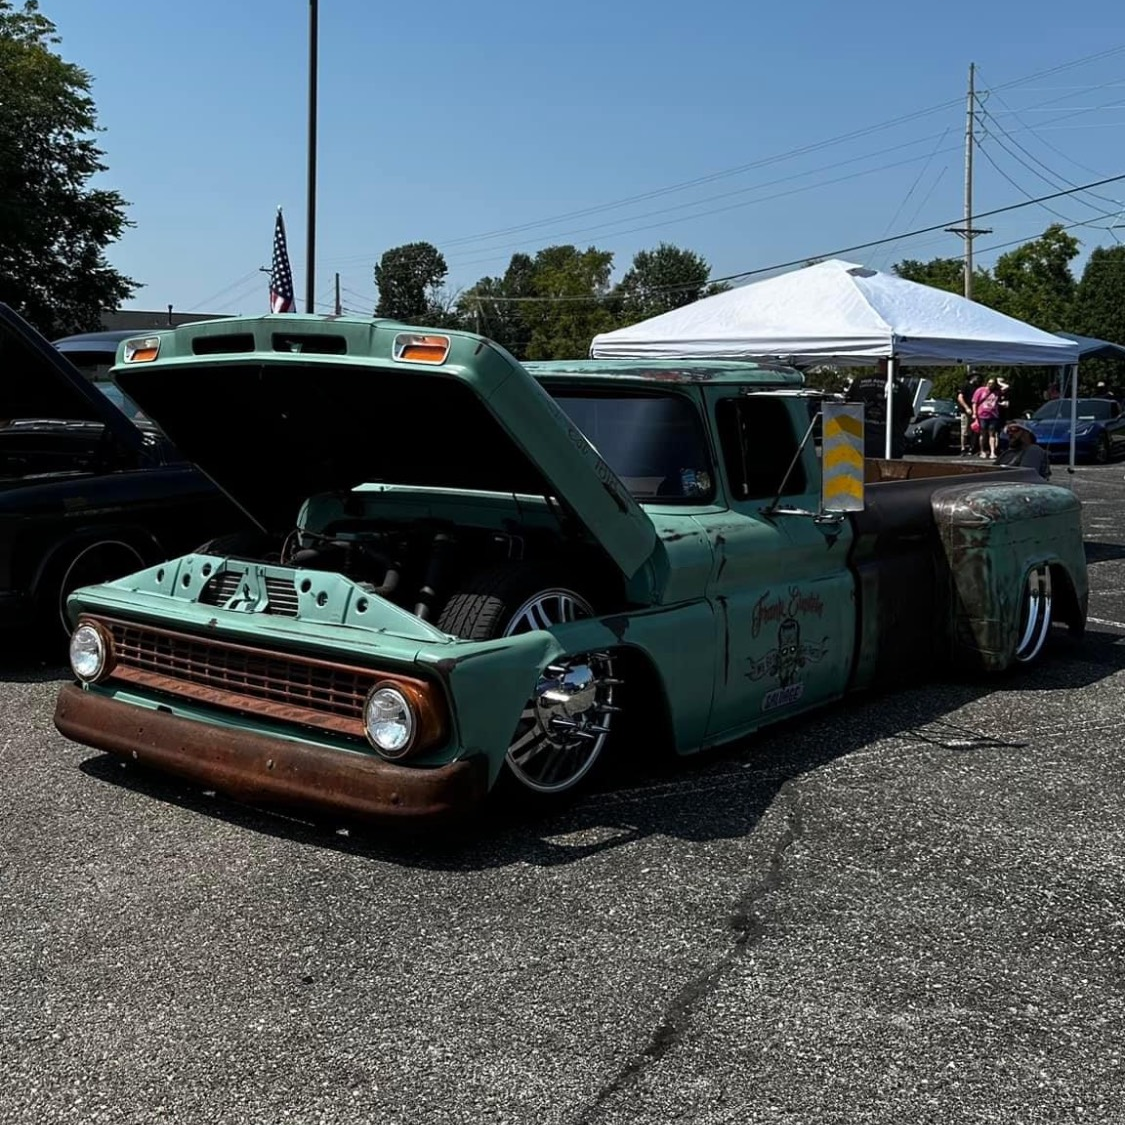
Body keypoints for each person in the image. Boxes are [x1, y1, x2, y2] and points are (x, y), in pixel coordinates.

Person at [972, 377, 1003, 459]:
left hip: (993, 415)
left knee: (992, 434)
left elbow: (1006, 387)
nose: (990, 385)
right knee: (983, 433)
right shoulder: (980, 390)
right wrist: (974, 414)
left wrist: (999, 382)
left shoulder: (997, 392)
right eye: (989, 383)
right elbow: (974, 402)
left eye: (992, 383)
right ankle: (982, 451)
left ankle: (992, 452)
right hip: (982, 415)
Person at [957, 371, 981, 455]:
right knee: (964, 431)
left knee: (975, 430)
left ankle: (972, 448)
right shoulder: (965, 385)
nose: (978, 378)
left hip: (976, 411)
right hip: (966, 411)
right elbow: (960, 397)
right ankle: (963, 448)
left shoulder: (978, 387)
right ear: (972, 377)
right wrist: (966, 408)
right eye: (976, 376)